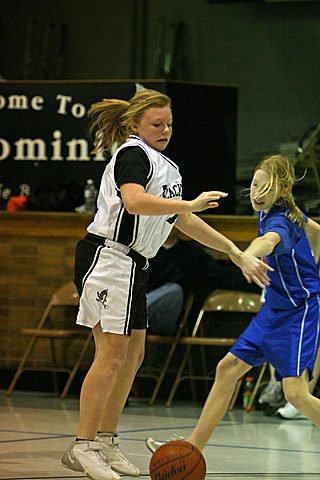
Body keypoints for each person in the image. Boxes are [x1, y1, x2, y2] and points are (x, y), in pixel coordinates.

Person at [60, 88, 270, 480]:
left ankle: (105, 439)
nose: (166, 130)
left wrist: (234, 251)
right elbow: (135, 201)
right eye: (157, 123)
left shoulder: (166, 166)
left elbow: (182, 221)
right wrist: (186, 204)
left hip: (135, 264)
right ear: (135, 125)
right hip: (108, 257)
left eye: (170, 123)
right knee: (110, 356)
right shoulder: (133, 153)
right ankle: (83, 445)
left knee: (132, 357)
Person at [146, 154, 320, 457]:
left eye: (267, 189)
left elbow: (267, 242)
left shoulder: (281, 220)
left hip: (298, 312)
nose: (257, 193)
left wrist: (249, 255)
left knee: (296, 394)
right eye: (255, 185)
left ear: (283, 192)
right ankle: (191, 449)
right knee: (227, 369)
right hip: (274, 310)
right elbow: (316, 232)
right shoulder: (284, 214)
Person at [147, 227, 261, 336]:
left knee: (174, 290)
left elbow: (224, 276)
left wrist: (263, 283)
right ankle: (133, 313)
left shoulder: (191, 253)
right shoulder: (146, 251)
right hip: (142, 313)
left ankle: (132, 313)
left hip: (167, 317)